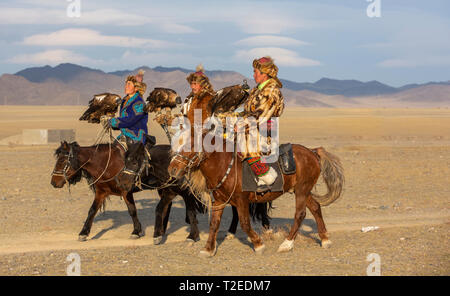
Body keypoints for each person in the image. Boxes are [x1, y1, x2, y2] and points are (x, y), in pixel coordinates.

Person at [239, 56, 285, 192]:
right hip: (252, 126)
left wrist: (241, 124)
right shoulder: (256, 90)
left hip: (263, 132)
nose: (253, 75)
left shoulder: (271, 91)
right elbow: (247, 111)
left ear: (265, 74)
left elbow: (261, 115)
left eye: (255, 72)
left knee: (245, 145)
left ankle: (266, 176)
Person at [101, 75, 148, 146]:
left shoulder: (139, 103)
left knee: (127, 156)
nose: (126, 86)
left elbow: (130, 120)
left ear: (136, 88)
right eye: (126, 84)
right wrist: (109, 123)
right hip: (125, 136)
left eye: (129, 84)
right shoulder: (125, 101)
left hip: (136, 137)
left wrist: (112, 122)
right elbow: (124, 122)